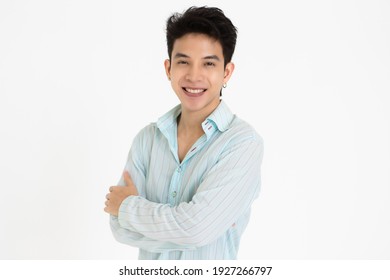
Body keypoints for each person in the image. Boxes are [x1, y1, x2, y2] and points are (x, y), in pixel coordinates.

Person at [104, 6, 264, 260]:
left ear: (226, 72)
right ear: (168, 68)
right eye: (183, 62)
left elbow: (197, 229)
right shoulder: (147, 140)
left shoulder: (242, 143)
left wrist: (127, 207)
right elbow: (119, 228)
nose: (194, 75)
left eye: (208, 63)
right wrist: (184, 228)